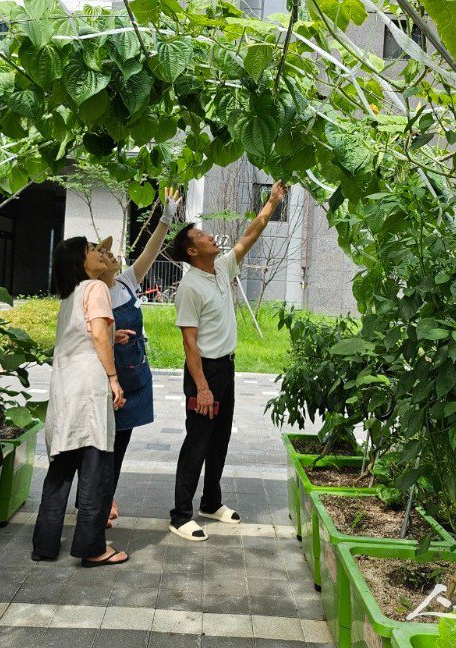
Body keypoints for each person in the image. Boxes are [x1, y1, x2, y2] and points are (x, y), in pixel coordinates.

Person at [167, 181, 288, 542]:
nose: (210, 237)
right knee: (198, 442)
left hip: (227, 368)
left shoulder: (221, 267)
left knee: (219, 440)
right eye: (202, 235)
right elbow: (189, 344)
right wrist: (202, 387)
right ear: (191, 250)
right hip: (205, 372)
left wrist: (271, 202)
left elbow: (250, 235)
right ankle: (180, 515)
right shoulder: (189, 288)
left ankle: (211, 502)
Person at [31, 237, 129, 567]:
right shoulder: (95, 288)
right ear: (80, 261)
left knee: (60, 469)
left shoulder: (69, 295)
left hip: (64, 388)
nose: (101, 253)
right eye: (93, 250)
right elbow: (97, 335)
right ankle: (91, 548)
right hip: (89, 387)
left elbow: (82, 334)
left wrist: (109, 335)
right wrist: (114, 378)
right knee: (95, 468)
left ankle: (44, 544)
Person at [92, 187, 182, 524]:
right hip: (105, 382)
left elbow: (152, 249)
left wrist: (168, 217)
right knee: (101, 445)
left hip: (136, 379)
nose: (114, 256)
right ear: (96, 267)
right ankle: (95, 502)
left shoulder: (128, 282)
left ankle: (105, 497)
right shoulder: (92, 293)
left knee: (120, 444)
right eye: (107, 255)